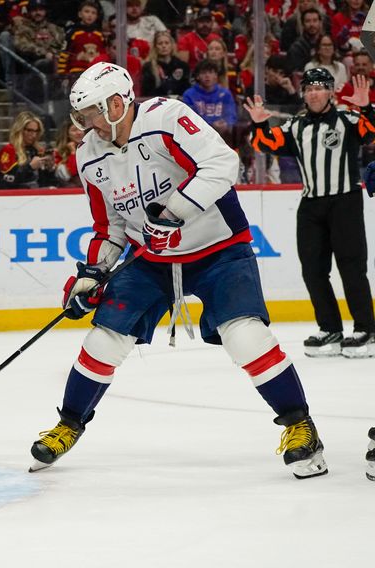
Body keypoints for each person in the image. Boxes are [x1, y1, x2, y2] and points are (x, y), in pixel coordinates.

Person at [30, 62, 327, 480]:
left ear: (117, 103)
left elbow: (223, 164)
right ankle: (69, 425)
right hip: (151, 260)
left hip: (218, 249)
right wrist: (92, 273)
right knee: (104, 339)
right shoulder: (89, 155)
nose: (85, 124)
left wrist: (173, 212)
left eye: (92, 112)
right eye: (81, 116)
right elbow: (109, 226)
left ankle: (301, 426)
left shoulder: (167, 118)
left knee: (245, 336)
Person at [246, 68, 375, 358]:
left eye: (319, 87)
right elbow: (266, 143)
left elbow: (372, 130)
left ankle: (367, 329)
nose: (314, 93)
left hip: (345, 201)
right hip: (311, 205)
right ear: (304, 93)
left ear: (331, 91)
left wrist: (366, 106)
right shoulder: (296, 126)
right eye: (309, 88)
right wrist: (257, 126)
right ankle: (329, 328)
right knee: (313, 270)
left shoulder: (348, 119)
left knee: (352, 267)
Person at [0, 111, 56, 189]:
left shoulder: (37, 150)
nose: (34, 135)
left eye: (36, 131)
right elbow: (7, 182)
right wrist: (30, 167)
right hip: (15, 196)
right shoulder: (8, 150)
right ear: (20, 130)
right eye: (29, 130)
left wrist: (50, 169)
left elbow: (45, 182)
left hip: (37, 195)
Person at [182, 59, 237, 141]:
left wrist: (226, 123)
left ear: (216, 75)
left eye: (210, 72)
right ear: (197, 76)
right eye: (204, 73)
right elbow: (190, 119)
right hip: (198, 136)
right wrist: (211, 124)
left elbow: (231, 114)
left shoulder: (225, 93)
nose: (207, 76)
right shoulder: (189, 95)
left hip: (224, 135)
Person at [140, 30, 191, 98]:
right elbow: (147, 92)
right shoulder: (149, 67)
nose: (164, 46)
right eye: (160, 43)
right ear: (155, 47)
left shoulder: (182, 66)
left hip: (179, 103)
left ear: (172, 45)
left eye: (167, 43)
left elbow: (187, 89)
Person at [52, 119, 84, 187]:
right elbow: (72, 172)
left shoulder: (90, 148)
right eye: (74, 130)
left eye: (80, 129)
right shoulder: (58, 153)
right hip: (70, 191)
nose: (78, 132)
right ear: (67, 134)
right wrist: (73, 153)